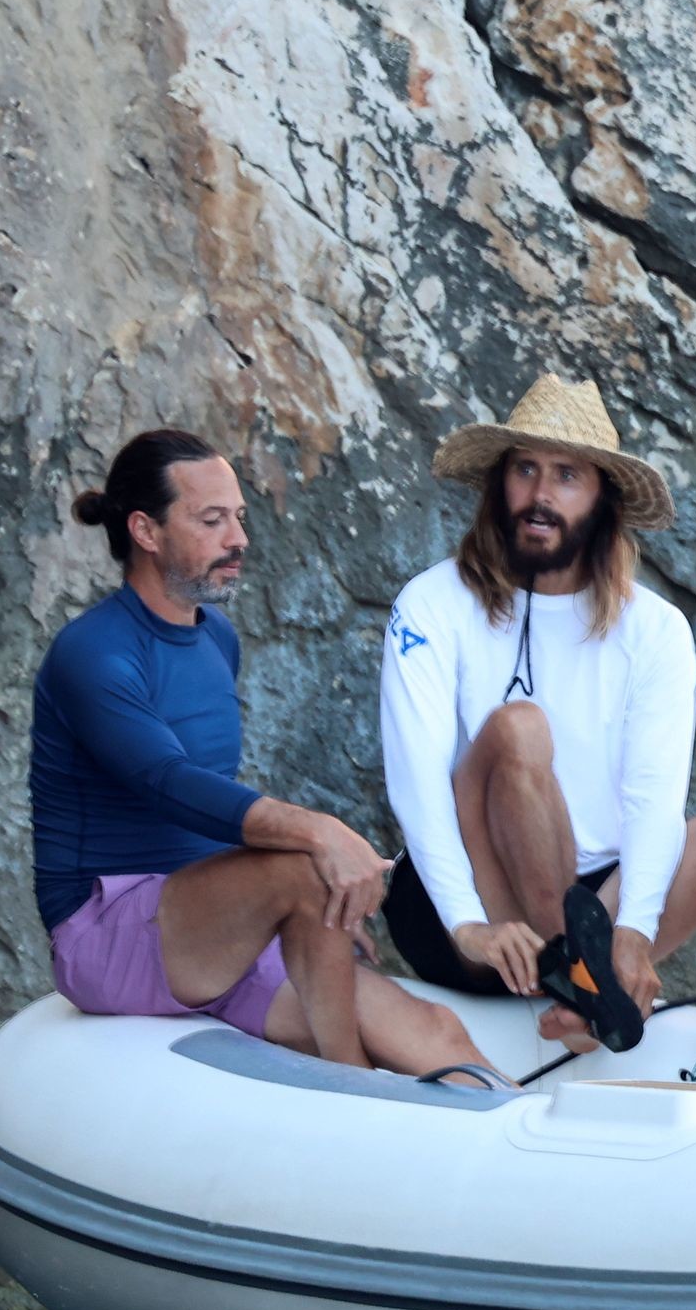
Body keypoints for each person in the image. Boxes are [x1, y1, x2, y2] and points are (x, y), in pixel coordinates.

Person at [380, 373, 696, 1083]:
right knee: (518, 730)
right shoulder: (432, 603)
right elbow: (416, 781)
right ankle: (581, 985)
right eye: (525, 469)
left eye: (567, 476)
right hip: (464, 908)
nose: (540, 494)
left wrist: (635, 929)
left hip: (596, 907)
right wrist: (467, 922)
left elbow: (654, 799)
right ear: (498, 484)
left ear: (602, 499)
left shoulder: (656, 630)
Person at [31, 428, 496, 1078]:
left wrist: (310, 917)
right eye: (212, 520)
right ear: (145, 530)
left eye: (240, 517)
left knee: (432, 1035)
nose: (239, 538)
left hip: (215, 924)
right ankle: (354, 1087)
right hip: (106, 932)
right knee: (304, 868)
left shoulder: (215, 637)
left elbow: (214, 806)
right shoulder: (93, 653)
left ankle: (538, 1135)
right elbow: (167, 781)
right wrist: (319, 840)